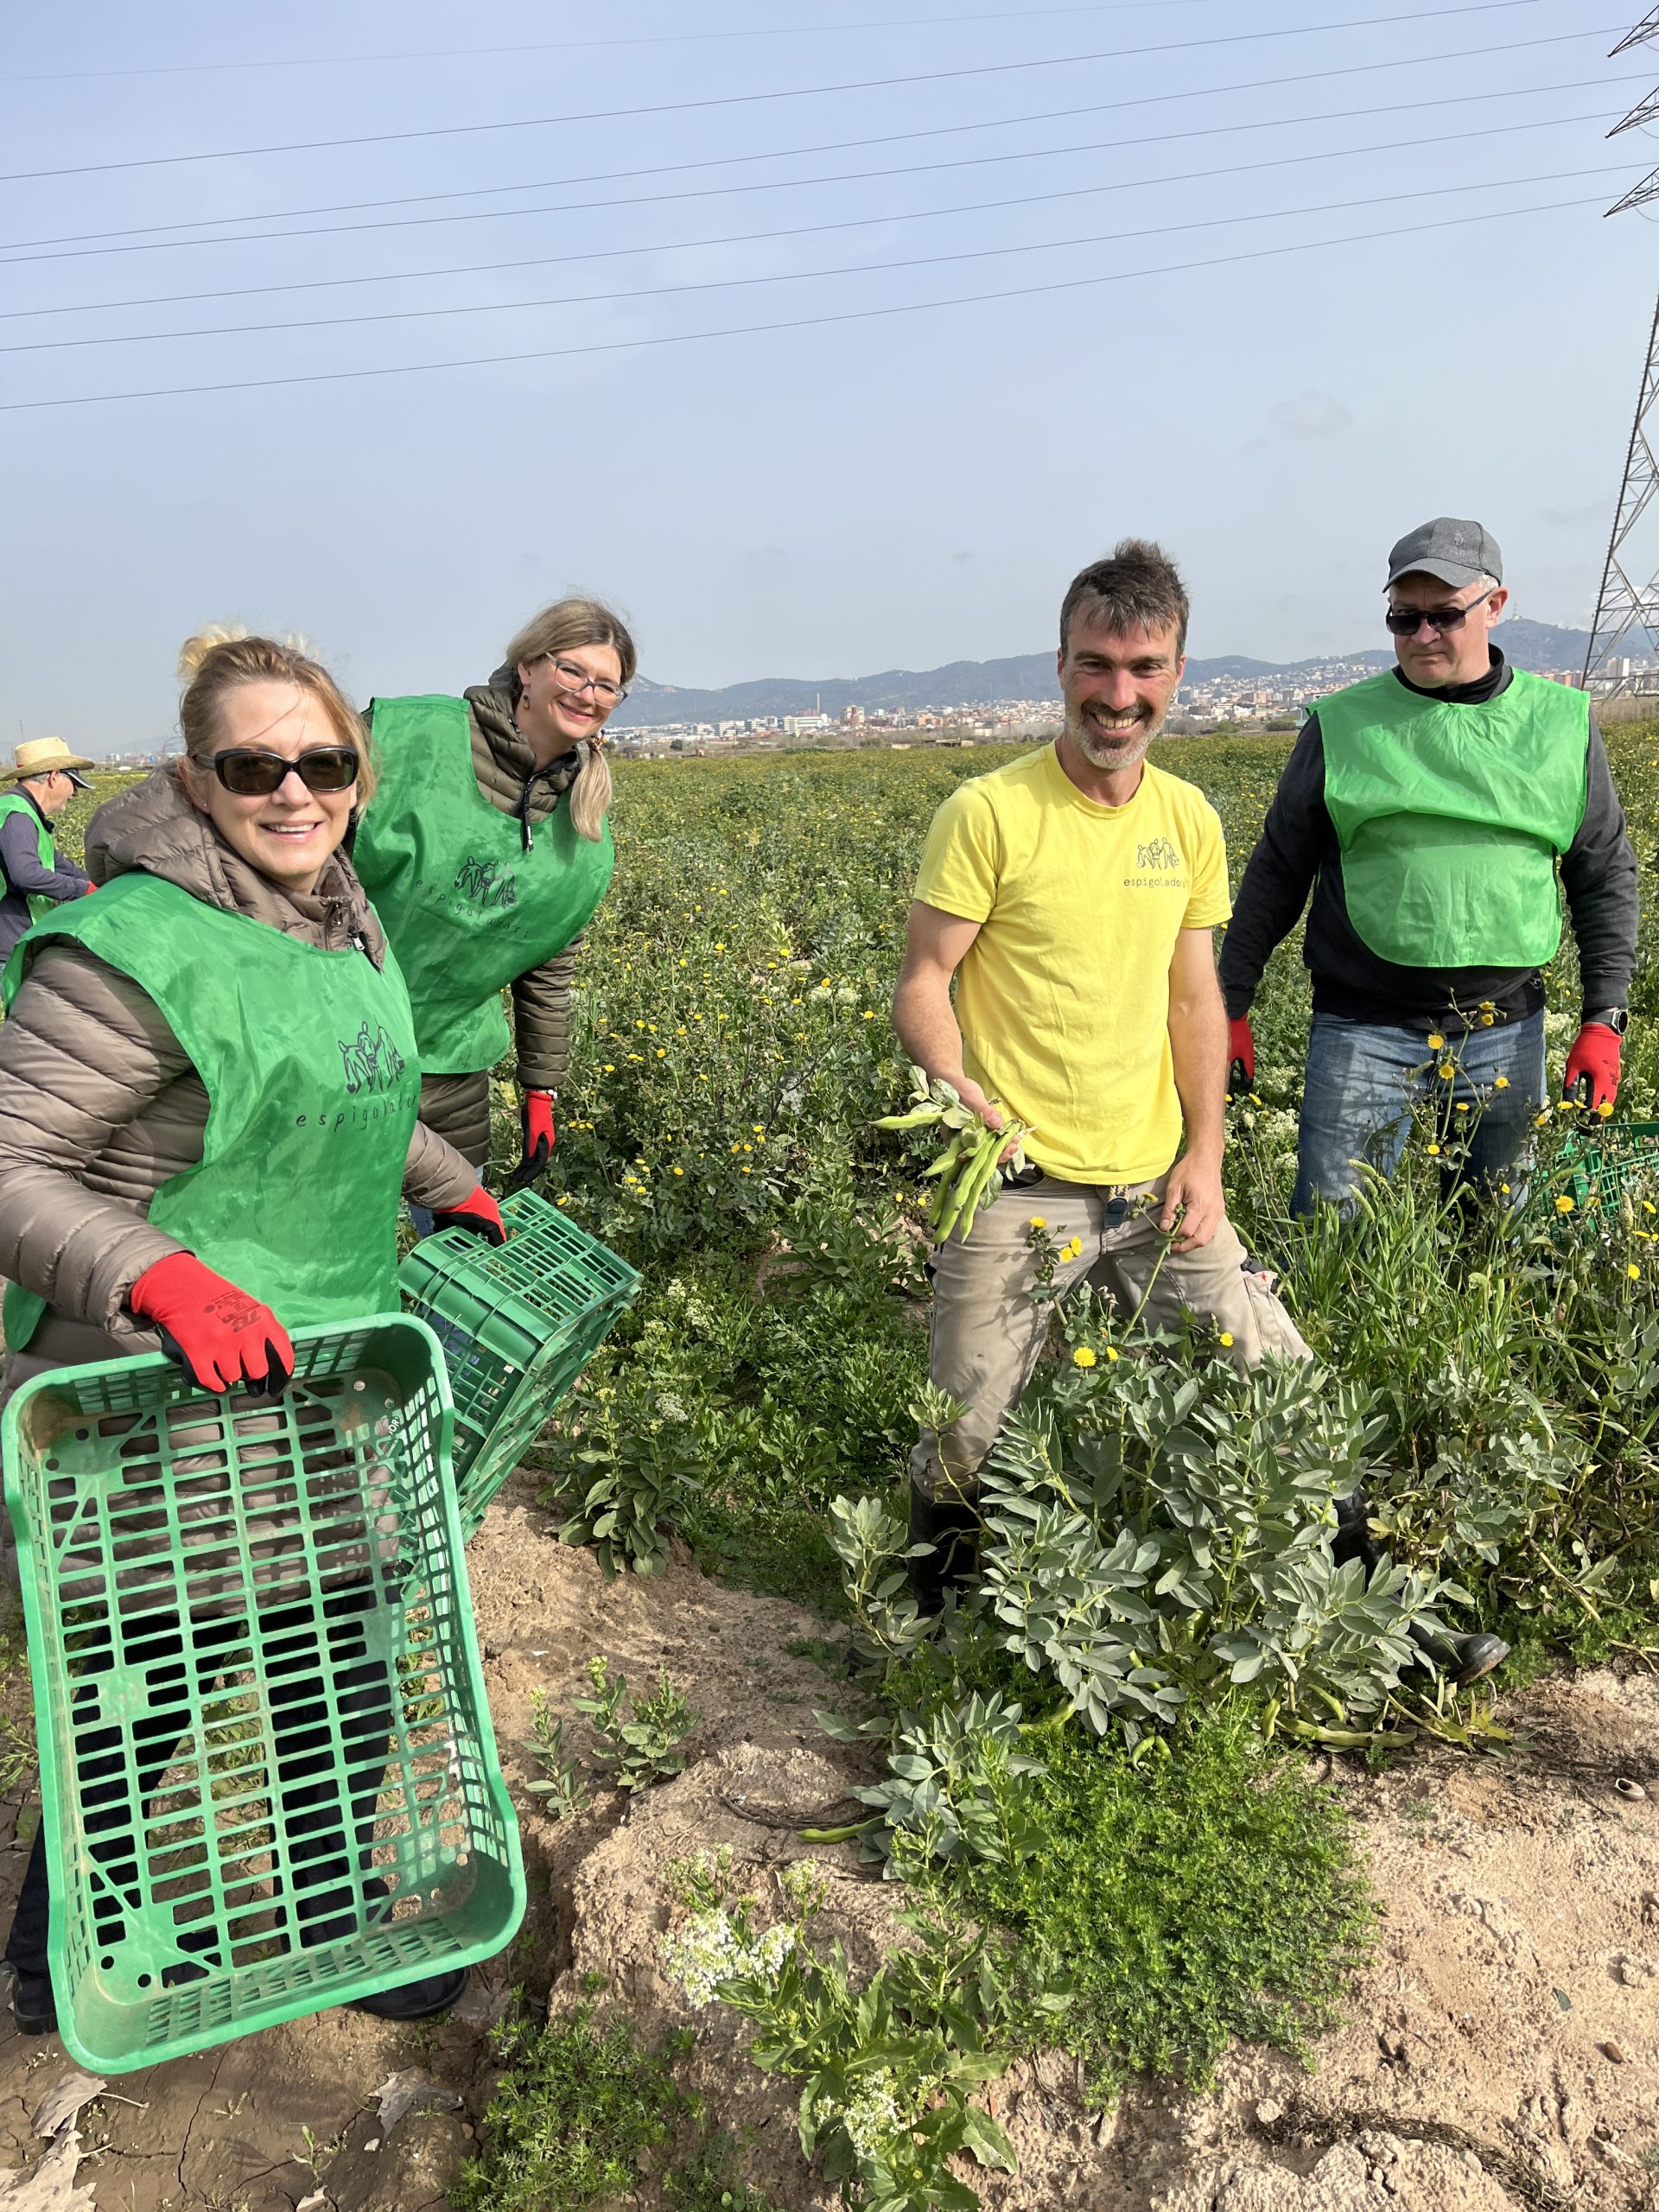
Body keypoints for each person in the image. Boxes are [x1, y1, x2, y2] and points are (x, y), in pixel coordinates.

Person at [0, 630, 507, 2037]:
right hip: (151, 1403)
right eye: (255, 765)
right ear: (196, 776)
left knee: (332, 1660)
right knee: (143, 1689)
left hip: (320, 1380)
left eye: (323, 762)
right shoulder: (134, 947)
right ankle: (55, 1962)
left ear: (358, 772)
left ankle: (337, 1921)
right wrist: (156, 1278)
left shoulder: (342, 916)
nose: (295, 791)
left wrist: (441, 1179)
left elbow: (336, 1083)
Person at [893, 541, 1313, 1598]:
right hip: (1018, 1185)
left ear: (1178, 673)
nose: (1117, 697)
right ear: (1062, 666)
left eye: (1144, 669)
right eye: (1096, 666)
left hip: (1154, 1183)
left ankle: (1366, 1598)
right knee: (965, 1434)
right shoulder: (988, 812)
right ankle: (931, 1636)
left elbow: (1193, 999)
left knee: (1274, 1383)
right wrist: (959, 1089)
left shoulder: (1188, 818)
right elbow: (924, 982)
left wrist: (1205, 1156)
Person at [1219, 518, 1639, 1214]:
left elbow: (1603, 876)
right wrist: (1231, 1002)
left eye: (1442, 616)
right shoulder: (1342, 724)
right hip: (1362, 1027)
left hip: (1505, 1029)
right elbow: (1278, 869)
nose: (1421, 636)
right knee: (1334, 1238)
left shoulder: (1561, 723)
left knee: (1493, 1239)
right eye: (1403, 619)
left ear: (1495, 607)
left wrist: (1605, 1019)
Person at [353, 600, 629, 1208]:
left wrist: (539, 1090)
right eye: (573, 671)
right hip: (325, 1040)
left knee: (456, 1237)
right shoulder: (407, 738)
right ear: (527, 667)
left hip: (449, 1062)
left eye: (607, 684)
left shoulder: (584, 835)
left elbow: (548, 967)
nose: (588, 693)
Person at [0, 738, 94, 964]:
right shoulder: (18, 815)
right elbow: (27, 875)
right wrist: (83, 890)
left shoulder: (25, 812)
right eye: (74, 783)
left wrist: (99, 885)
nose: (75, 794)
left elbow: (57, 863)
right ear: (54, 777)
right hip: (8, 947)